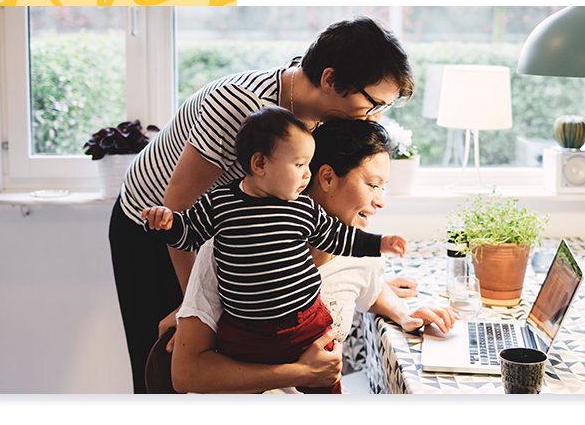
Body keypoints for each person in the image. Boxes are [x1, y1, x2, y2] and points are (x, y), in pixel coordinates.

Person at [108, 16, 415, 393]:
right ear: (331, 80)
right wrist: (194, 307)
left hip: (217, 222)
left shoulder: (322, 113)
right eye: (373, 103)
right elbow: (178, 208)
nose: (375, 117)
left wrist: (371, 282)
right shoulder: (238, 106)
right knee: (166, 360)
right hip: (156, 224)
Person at [170, 119, 459, 393]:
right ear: (328, 177)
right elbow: (185, 374)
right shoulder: (231, 244)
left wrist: (404, 313)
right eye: (372, 185)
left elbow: (369, 289)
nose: (380, 200)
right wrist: (300, 373)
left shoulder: (359, 254)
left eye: (383, 188)